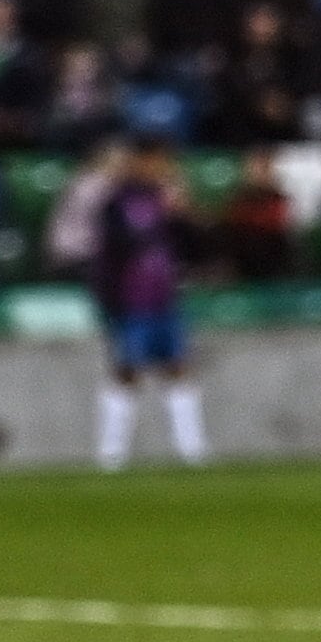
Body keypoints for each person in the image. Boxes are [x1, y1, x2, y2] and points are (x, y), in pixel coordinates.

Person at [89, 140, 207, 468]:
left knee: (178, 368)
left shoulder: (168, 200)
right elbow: (115, 247)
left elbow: (195, 247)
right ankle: (111, 453)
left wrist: (185, 218)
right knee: (127, 370)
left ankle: (192, 449)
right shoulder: (118, 203)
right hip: (132, 299)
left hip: (165, 297)